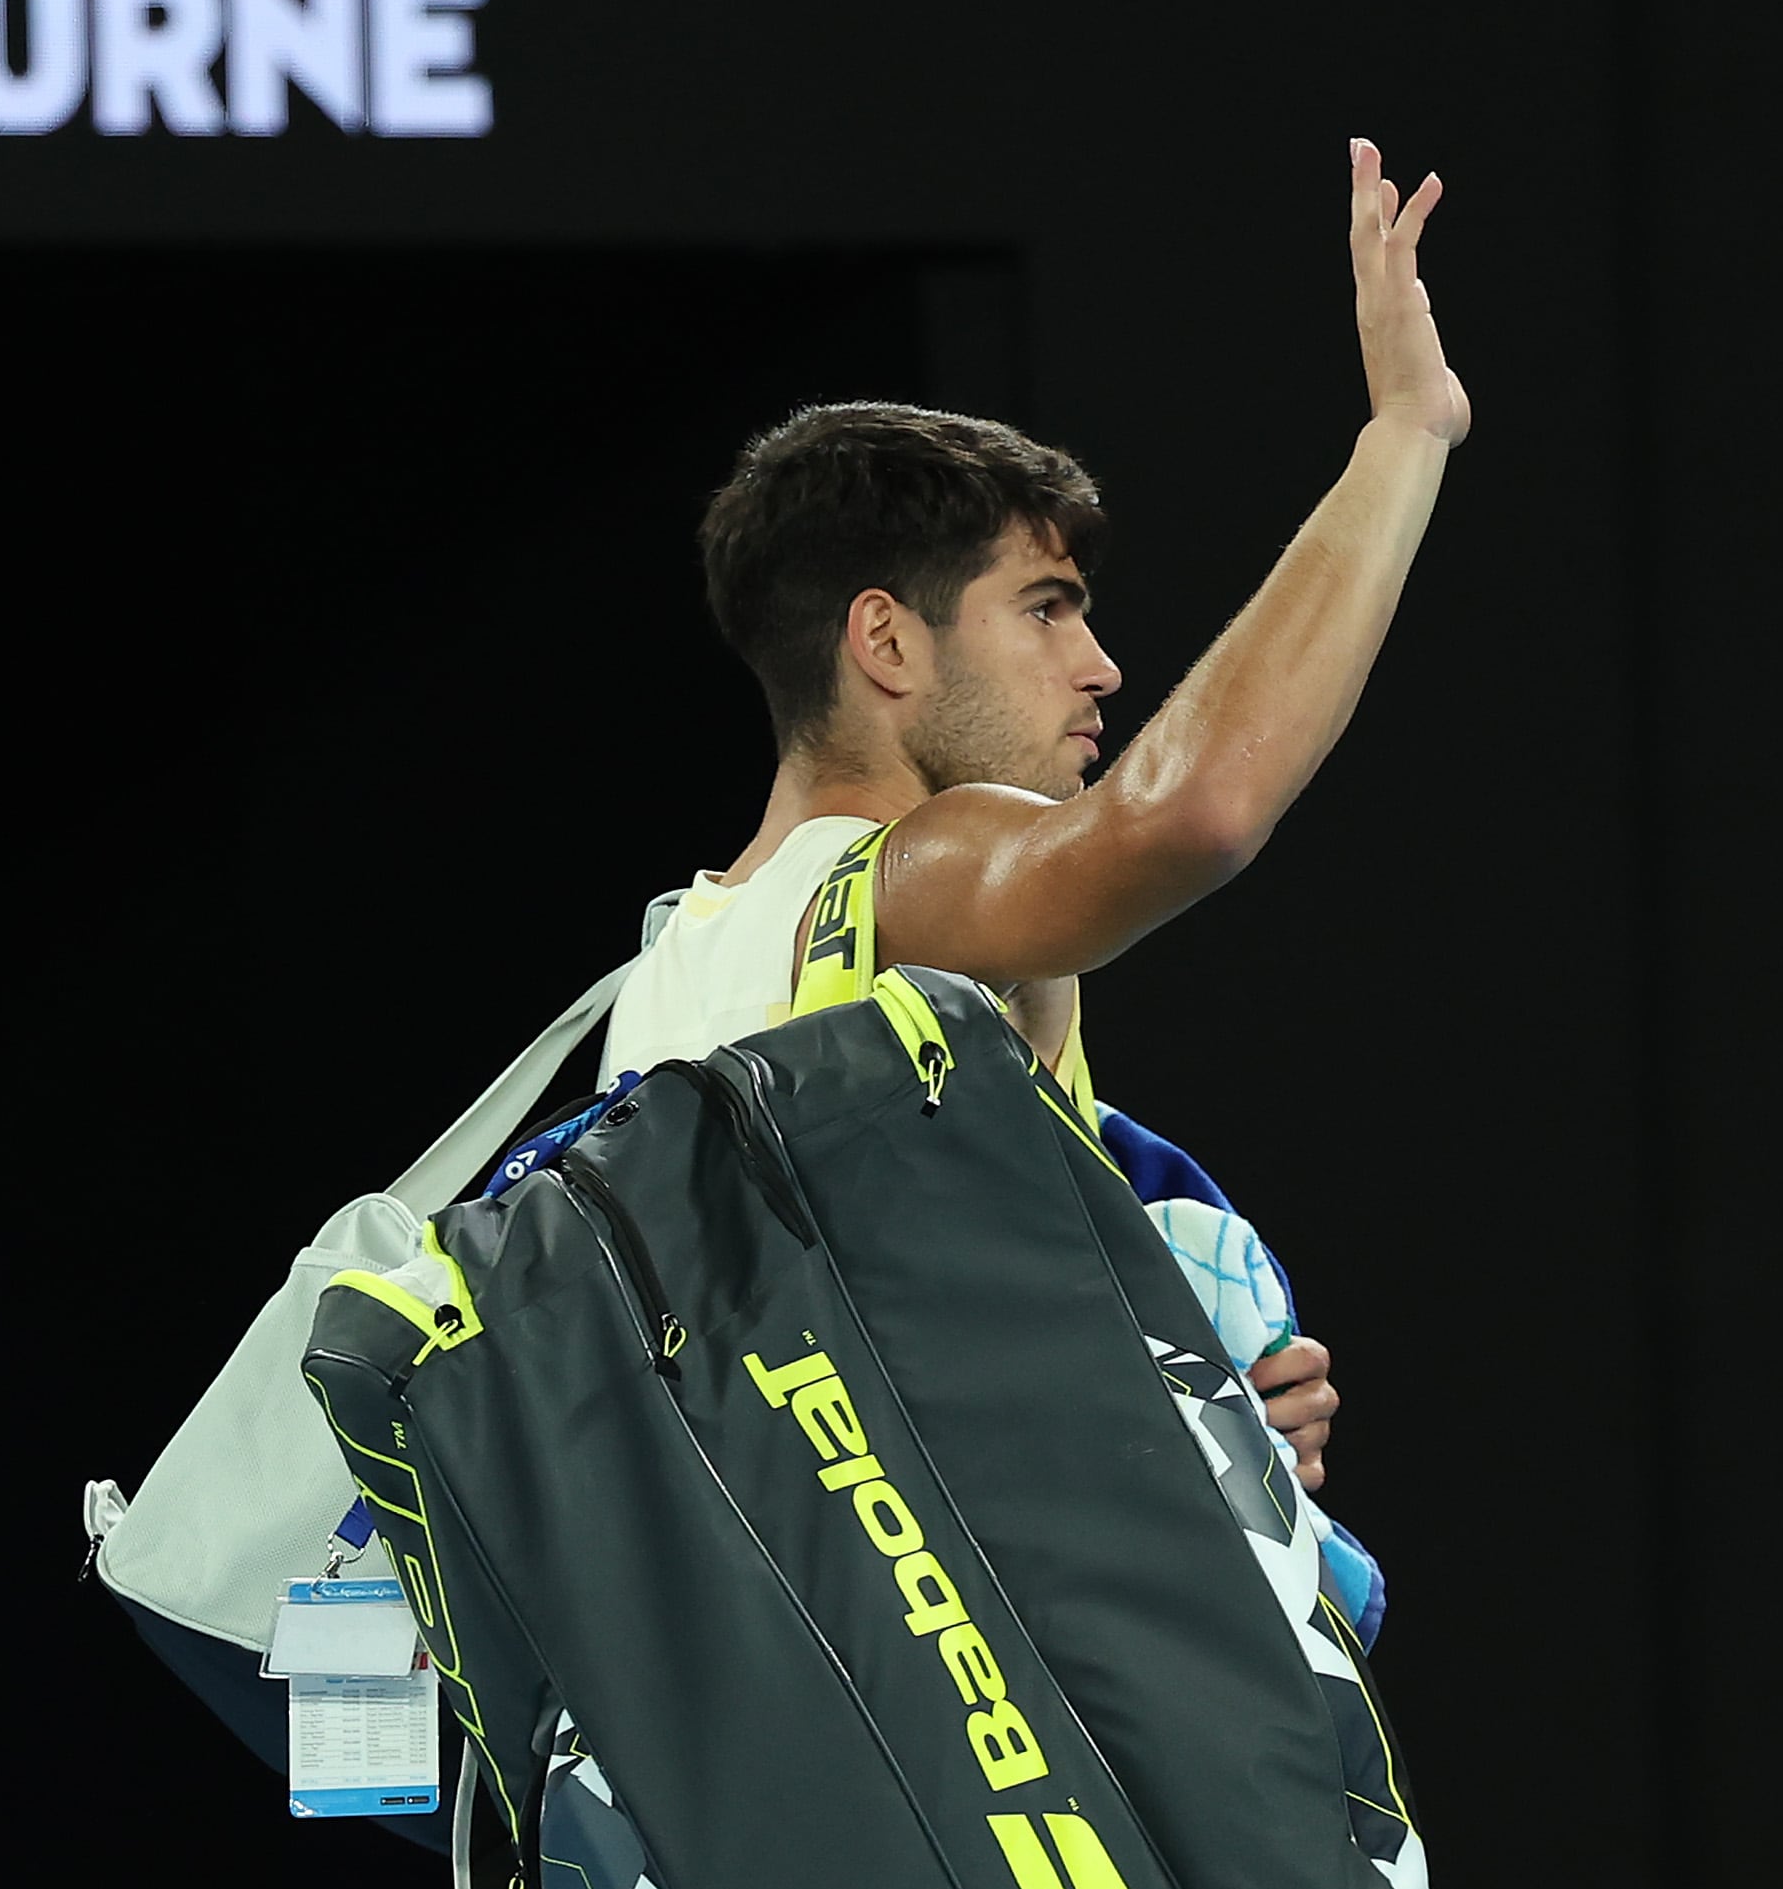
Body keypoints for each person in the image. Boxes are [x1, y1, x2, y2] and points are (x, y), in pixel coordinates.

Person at [604, 135, 1468, 1490]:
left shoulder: (678, 959)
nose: (1102, 664)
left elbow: (913, 1390)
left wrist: (1195, 1424)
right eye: (1046, 608)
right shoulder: (911, 881)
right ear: (885, 643)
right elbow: (1193, 811)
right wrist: (1405, 438)